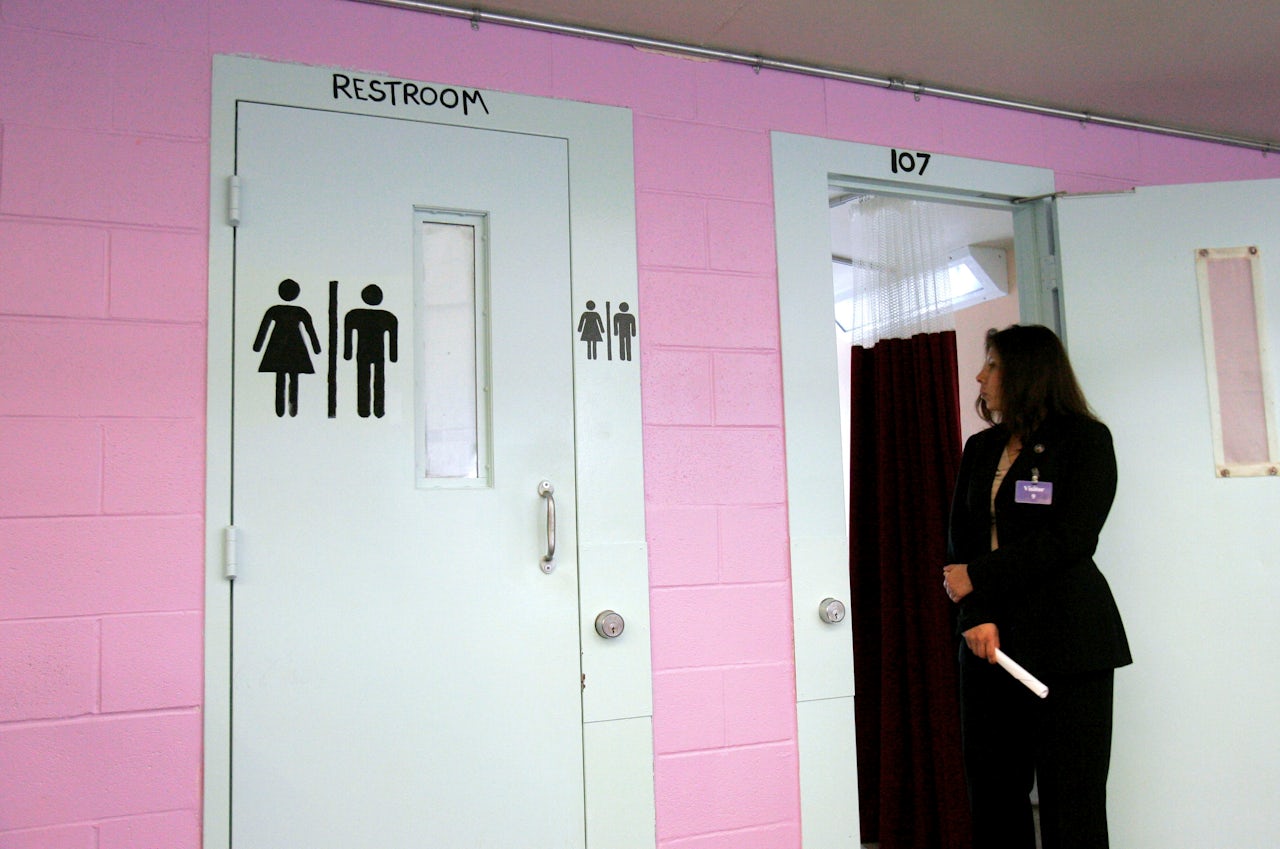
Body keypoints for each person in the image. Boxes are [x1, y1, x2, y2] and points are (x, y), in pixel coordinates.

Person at [942, 324, 1132, 849]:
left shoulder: (1086, 441)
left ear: (1029, 371)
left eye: (994, 365)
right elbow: (961, 540)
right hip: (988, 647)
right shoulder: (981, 448)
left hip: (1070, 645)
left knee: (1073, 799)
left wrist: (978, 577)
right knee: (994, 796)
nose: (980, 375)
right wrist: (974, 615)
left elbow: (1071, 538)